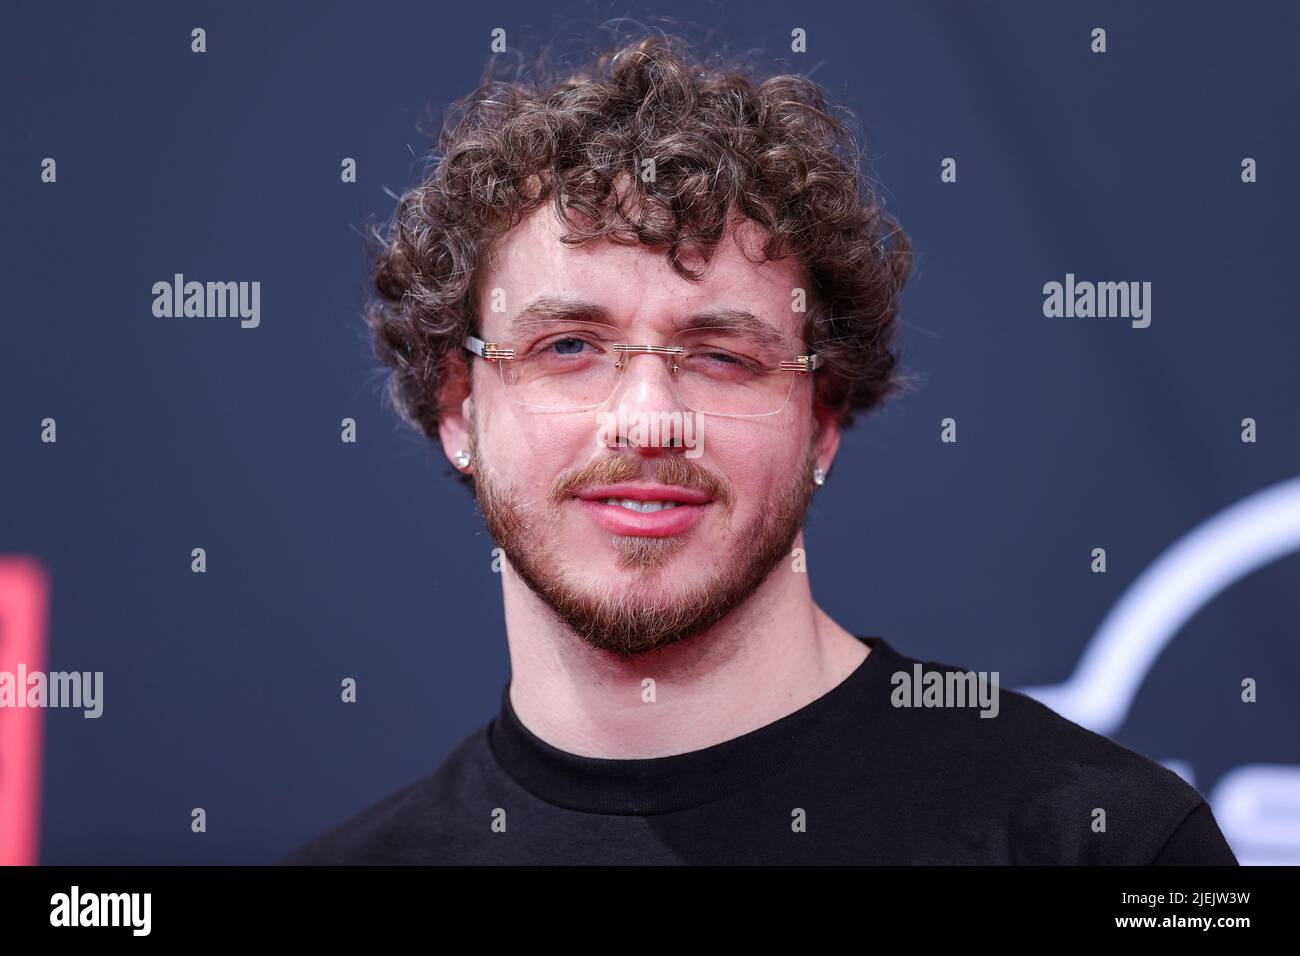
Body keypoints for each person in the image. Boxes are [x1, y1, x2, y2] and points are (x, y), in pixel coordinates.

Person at [279, 33, 1236, 865]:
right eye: (567, 347)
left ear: (821, 416)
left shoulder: (1104, 844)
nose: (648, 420)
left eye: (723, 356)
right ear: (460, 409)